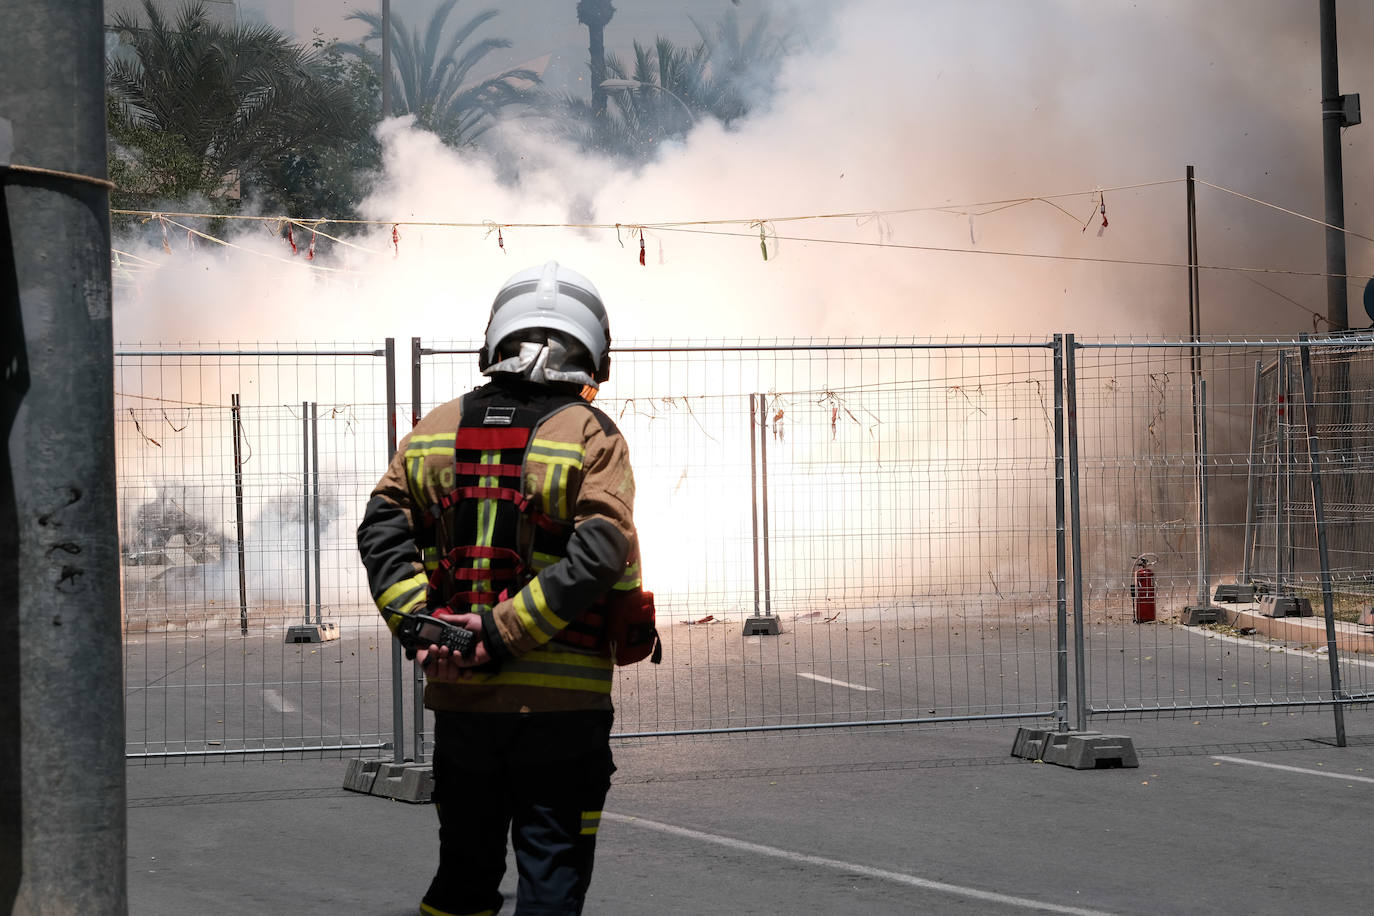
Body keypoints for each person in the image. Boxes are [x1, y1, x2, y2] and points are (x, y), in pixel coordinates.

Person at [357, 261, 642, 916]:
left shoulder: (433, 429)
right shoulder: (592, 436)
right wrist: (500, 634)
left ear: (498, 338)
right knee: (551, 883)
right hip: (563, 716)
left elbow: (381, 531)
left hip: (463, 711)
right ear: (590, 346)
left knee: (463, 878)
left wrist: (423, 627)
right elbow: (603, 552)